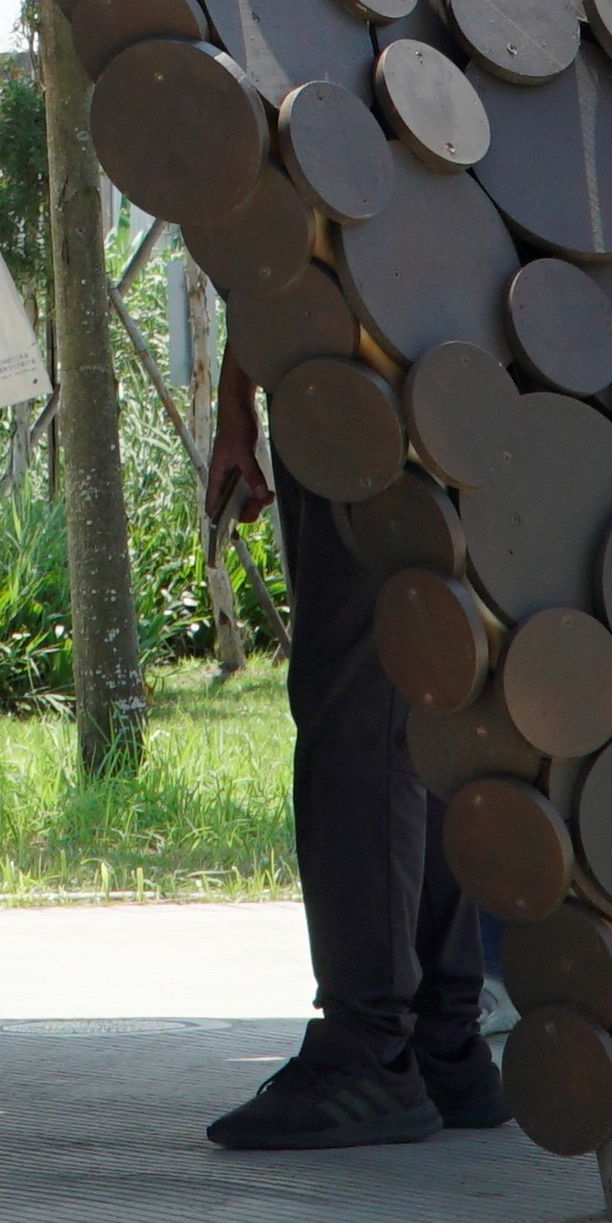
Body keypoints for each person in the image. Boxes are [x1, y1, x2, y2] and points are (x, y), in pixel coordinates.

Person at [191, 382, 498, 1150]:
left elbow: (270, 262)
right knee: (433, 677)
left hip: (351, 378)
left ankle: (372, 1046)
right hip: (460, 369)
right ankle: (440, 1038)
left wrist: (240, 400)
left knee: (359, 697)